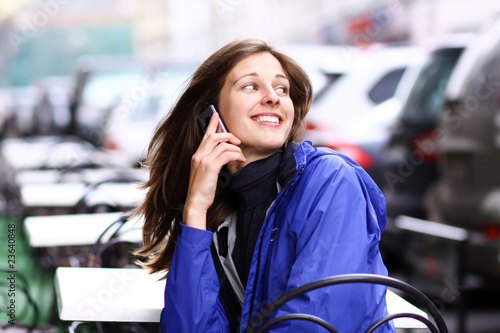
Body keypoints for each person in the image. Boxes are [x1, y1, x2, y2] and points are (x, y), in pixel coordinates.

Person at [134, 38, 395, 333]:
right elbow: (188, 329)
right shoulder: (220, 215)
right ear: (210, 114)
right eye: (251, 86)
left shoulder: (330, 181)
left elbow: (313, 325)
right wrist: (195, 210)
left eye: (281, 89)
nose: (273, 97)